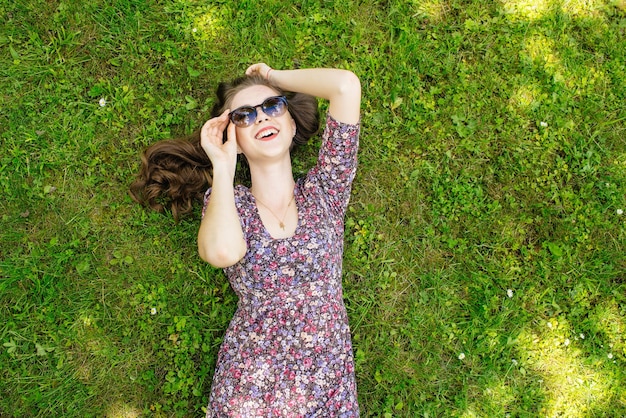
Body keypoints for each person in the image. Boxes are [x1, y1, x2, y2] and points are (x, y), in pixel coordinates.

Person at [131, 63, 361, 416]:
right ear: (231, 136)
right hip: (251, 389)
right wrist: (223, 166)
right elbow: (222, 252)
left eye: (272, 107)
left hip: (327, 389)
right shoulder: (228, 202)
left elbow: (345, 86)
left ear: (291, 121)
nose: (261, 118)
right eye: (244, 116)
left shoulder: (325, 192)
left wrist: (273, 78)